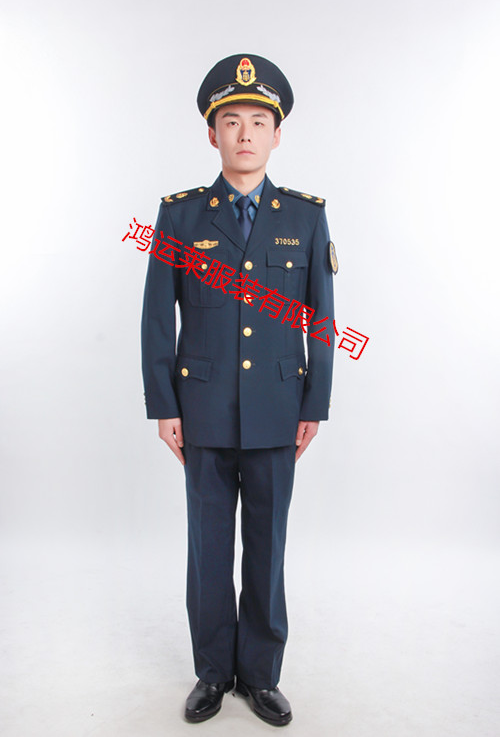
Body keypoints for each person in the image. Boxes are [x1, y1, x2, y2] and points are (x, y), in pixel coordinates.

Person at [141, 53, 337, 727]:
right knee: (208, 549)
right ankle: (211, 673)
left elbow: (321, 318)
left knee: (267, 547)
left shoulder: (305, 218)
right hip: (201, 412)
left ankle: (260, 675)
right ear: (212, 134)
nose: (245, 133)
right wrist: (164, 405)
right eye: (232, 121)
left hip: (279, 411)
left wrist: (315, 404)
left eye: (259, 121)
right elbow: (156, 317)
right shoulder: (180, 217)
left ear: (277, 135)